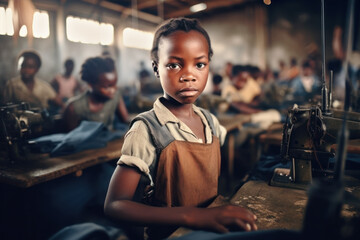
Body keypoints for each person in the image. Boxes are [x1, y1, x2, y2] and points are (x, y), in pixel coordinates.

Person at [104, 17, 257, 240]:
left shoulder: (210, 122)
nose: (188, 75)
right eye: (174, 65)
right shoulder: (147, 129)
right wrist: (192, 216)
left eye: (200, 65)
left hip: (210, 231)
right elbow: (115, 205)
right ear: (157, 69)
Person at [62, 56, 129, 132]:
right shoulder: (74, 108)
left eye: (114, 84)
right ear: (91, 85)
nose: (113, 90)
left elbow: (126, 121)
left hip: (110, 141)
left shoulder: (115, 96)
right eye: (106, 87)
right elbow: (72, 139)